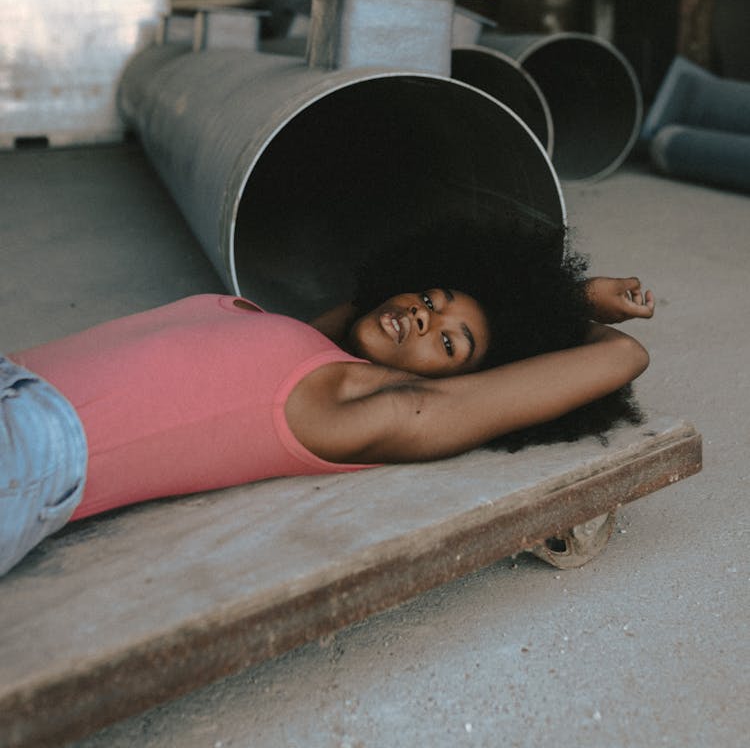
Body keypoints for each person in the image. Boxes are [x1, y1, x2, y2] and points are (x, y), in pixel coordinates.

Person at [0, 220, 654, 577]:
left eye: (449, 344)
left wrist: (577, 300)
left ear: (453, 385)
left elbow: (624, 357)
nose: (424, 317)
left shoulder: (361, 409)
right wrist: (524, 291)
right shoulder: (308, 343)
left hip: (27, 449)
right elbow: (365, 306)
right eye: (430, 299)